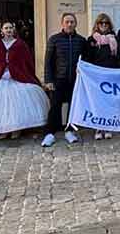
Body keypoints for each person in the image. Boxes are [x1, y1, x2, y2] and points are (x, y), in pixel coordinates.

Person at [0, 21, 49, 139]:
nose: (8, 30)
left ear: (14, 30)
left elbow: (26, 62)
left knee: (19, 102)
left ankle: (17, 129)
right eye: (6, 28)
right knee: (1, 105)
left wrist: (16, 72)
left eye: (10, 28)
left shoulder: (20, 44)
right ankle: (4, 129)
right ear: (1, 30)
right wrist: (0, 72)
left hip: (18, 77)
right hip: (0, 77)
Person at [41, 13, 87, 147]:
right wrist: (48, 80)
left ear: (76, 24)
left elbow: (86, 59)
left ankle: (69, 131)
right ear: (62, 23)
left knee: (73, 106)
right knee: (55, 106)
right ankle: (50, 133)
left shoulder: (81, 40)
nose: (70, 24)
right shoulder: (54, 39)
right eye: (67, 22)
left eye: (72, 22)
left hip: (75, 80)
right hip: (58, 79)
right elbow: (48, 61)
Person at [86, 13, 120, 140]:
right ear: (97, 25)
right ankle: (98, 128)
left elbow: (118, 58)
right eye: (101, 23)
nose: (104, 25)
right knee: (98, 102)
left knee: (109, 102)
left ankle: (108, 127)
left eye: (106, 23)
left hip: (111, 76)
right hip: (96, 77)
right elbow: (87, 58)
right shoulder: (91, 40)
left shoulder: (115, 39)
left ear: (110, 25)